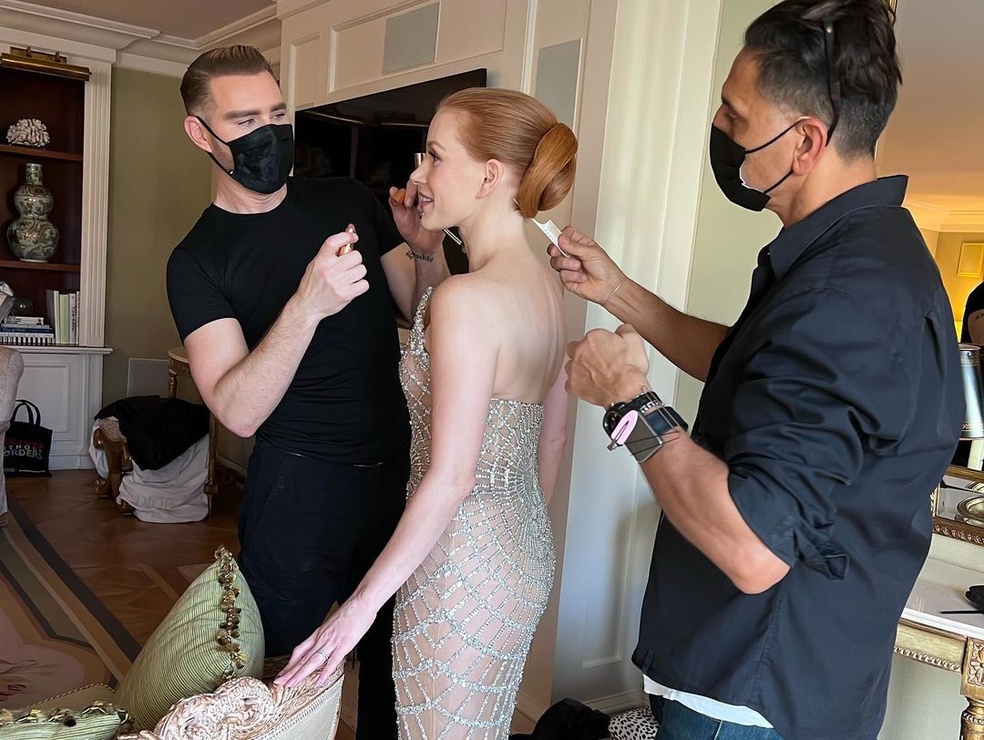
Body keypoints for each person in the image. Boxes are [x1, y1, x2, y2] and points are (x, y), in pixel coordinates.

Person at [552, 2, 963, 739]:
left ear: (805, 141)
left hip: (752, 694)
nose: (719, 127)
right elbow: (753, 371)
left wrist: (626, 401)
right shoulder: (866, 255)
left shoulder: (845, 298)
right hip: (792, 680)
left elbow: (754, 548)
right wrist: (617, 292)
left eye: (735, 116)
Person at [165, 45, 447, 740]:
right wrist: (307, 305)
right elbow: (237, 410)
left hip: (399, 473)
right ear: (200, 133)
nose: (269, 134)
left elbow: (426, 314)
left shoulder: (348, 200)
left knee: (393, 669)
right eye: (245, 121)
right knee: (271, 679)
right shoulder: (197, 260)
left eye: (277, 114)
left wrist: (426, 248)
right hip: (298, 491)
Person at [276, 88, 576, 739]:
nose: (418, 176)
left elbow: (451, 477)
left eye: (435, 157)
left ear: (489, 177)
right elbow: (550, 439)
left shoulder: (469, 299)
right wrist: (426, 250)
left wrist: (357, 610)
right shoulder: (547, 290)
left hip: (457, 557)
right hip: (521, 547)